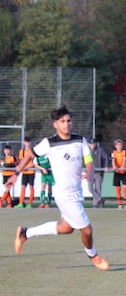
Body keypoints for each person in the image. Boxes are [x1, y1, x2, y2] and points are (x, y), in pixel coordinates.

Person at [9, 105, 109, 270]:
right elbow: (29, 156)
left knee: (66, 228)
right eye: (62, 121)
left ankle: (25, 233)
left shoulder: (80, 140)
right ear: (55, 124)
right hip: (63, 194)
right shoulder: (49, 143)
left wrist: (90, 173)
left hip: (76, 193)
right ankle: (93, 255)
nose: (66, 124)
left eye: (69, 121)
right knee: (87, 230)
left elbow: (88, 160)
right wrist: (16, 174)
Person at [88, 138, 108, 208]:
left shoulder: (100, 150)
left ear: (95, 143)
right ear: (88, 144)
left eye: (93, 143)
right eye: (91, 144)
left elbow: (106, 157)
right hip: (90, 172)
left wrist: (106, 166)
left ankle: (95, 204)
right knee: (90, 188)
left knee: (98, 188)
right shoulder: (87, 151)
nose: (92, 145)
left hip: (99, 172)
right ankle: (100, 199)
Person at [18, 138, 37, 208]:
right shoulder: (22, 151)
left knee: (31, 186)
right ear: (24, 143)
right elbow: (21, 161)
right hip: (24, 172)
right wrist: (22, 167)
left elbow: (34, 162)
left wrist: (27, 167)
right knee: (23, 186)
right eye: (26, 142)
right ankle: (21, 203)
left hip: (31, 171)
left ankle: (30, 203)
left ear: (30, 143)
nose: (27, 144)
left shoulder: (32, 151)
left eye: (28, 142)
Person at [110, 139, 126, 209]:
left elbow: (124, 159)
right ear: (115, 146)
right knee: (118, 188)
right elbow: (113, 160)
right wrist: (114, 166)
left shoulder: (124, 152)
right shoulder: (114, 152)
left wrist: (122, 167)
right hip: (117, 172)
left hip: (123, 172)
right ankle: (120, 203)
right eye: (118, 145)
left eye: (120, 145)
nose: (119, 146)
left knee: (125, 188)